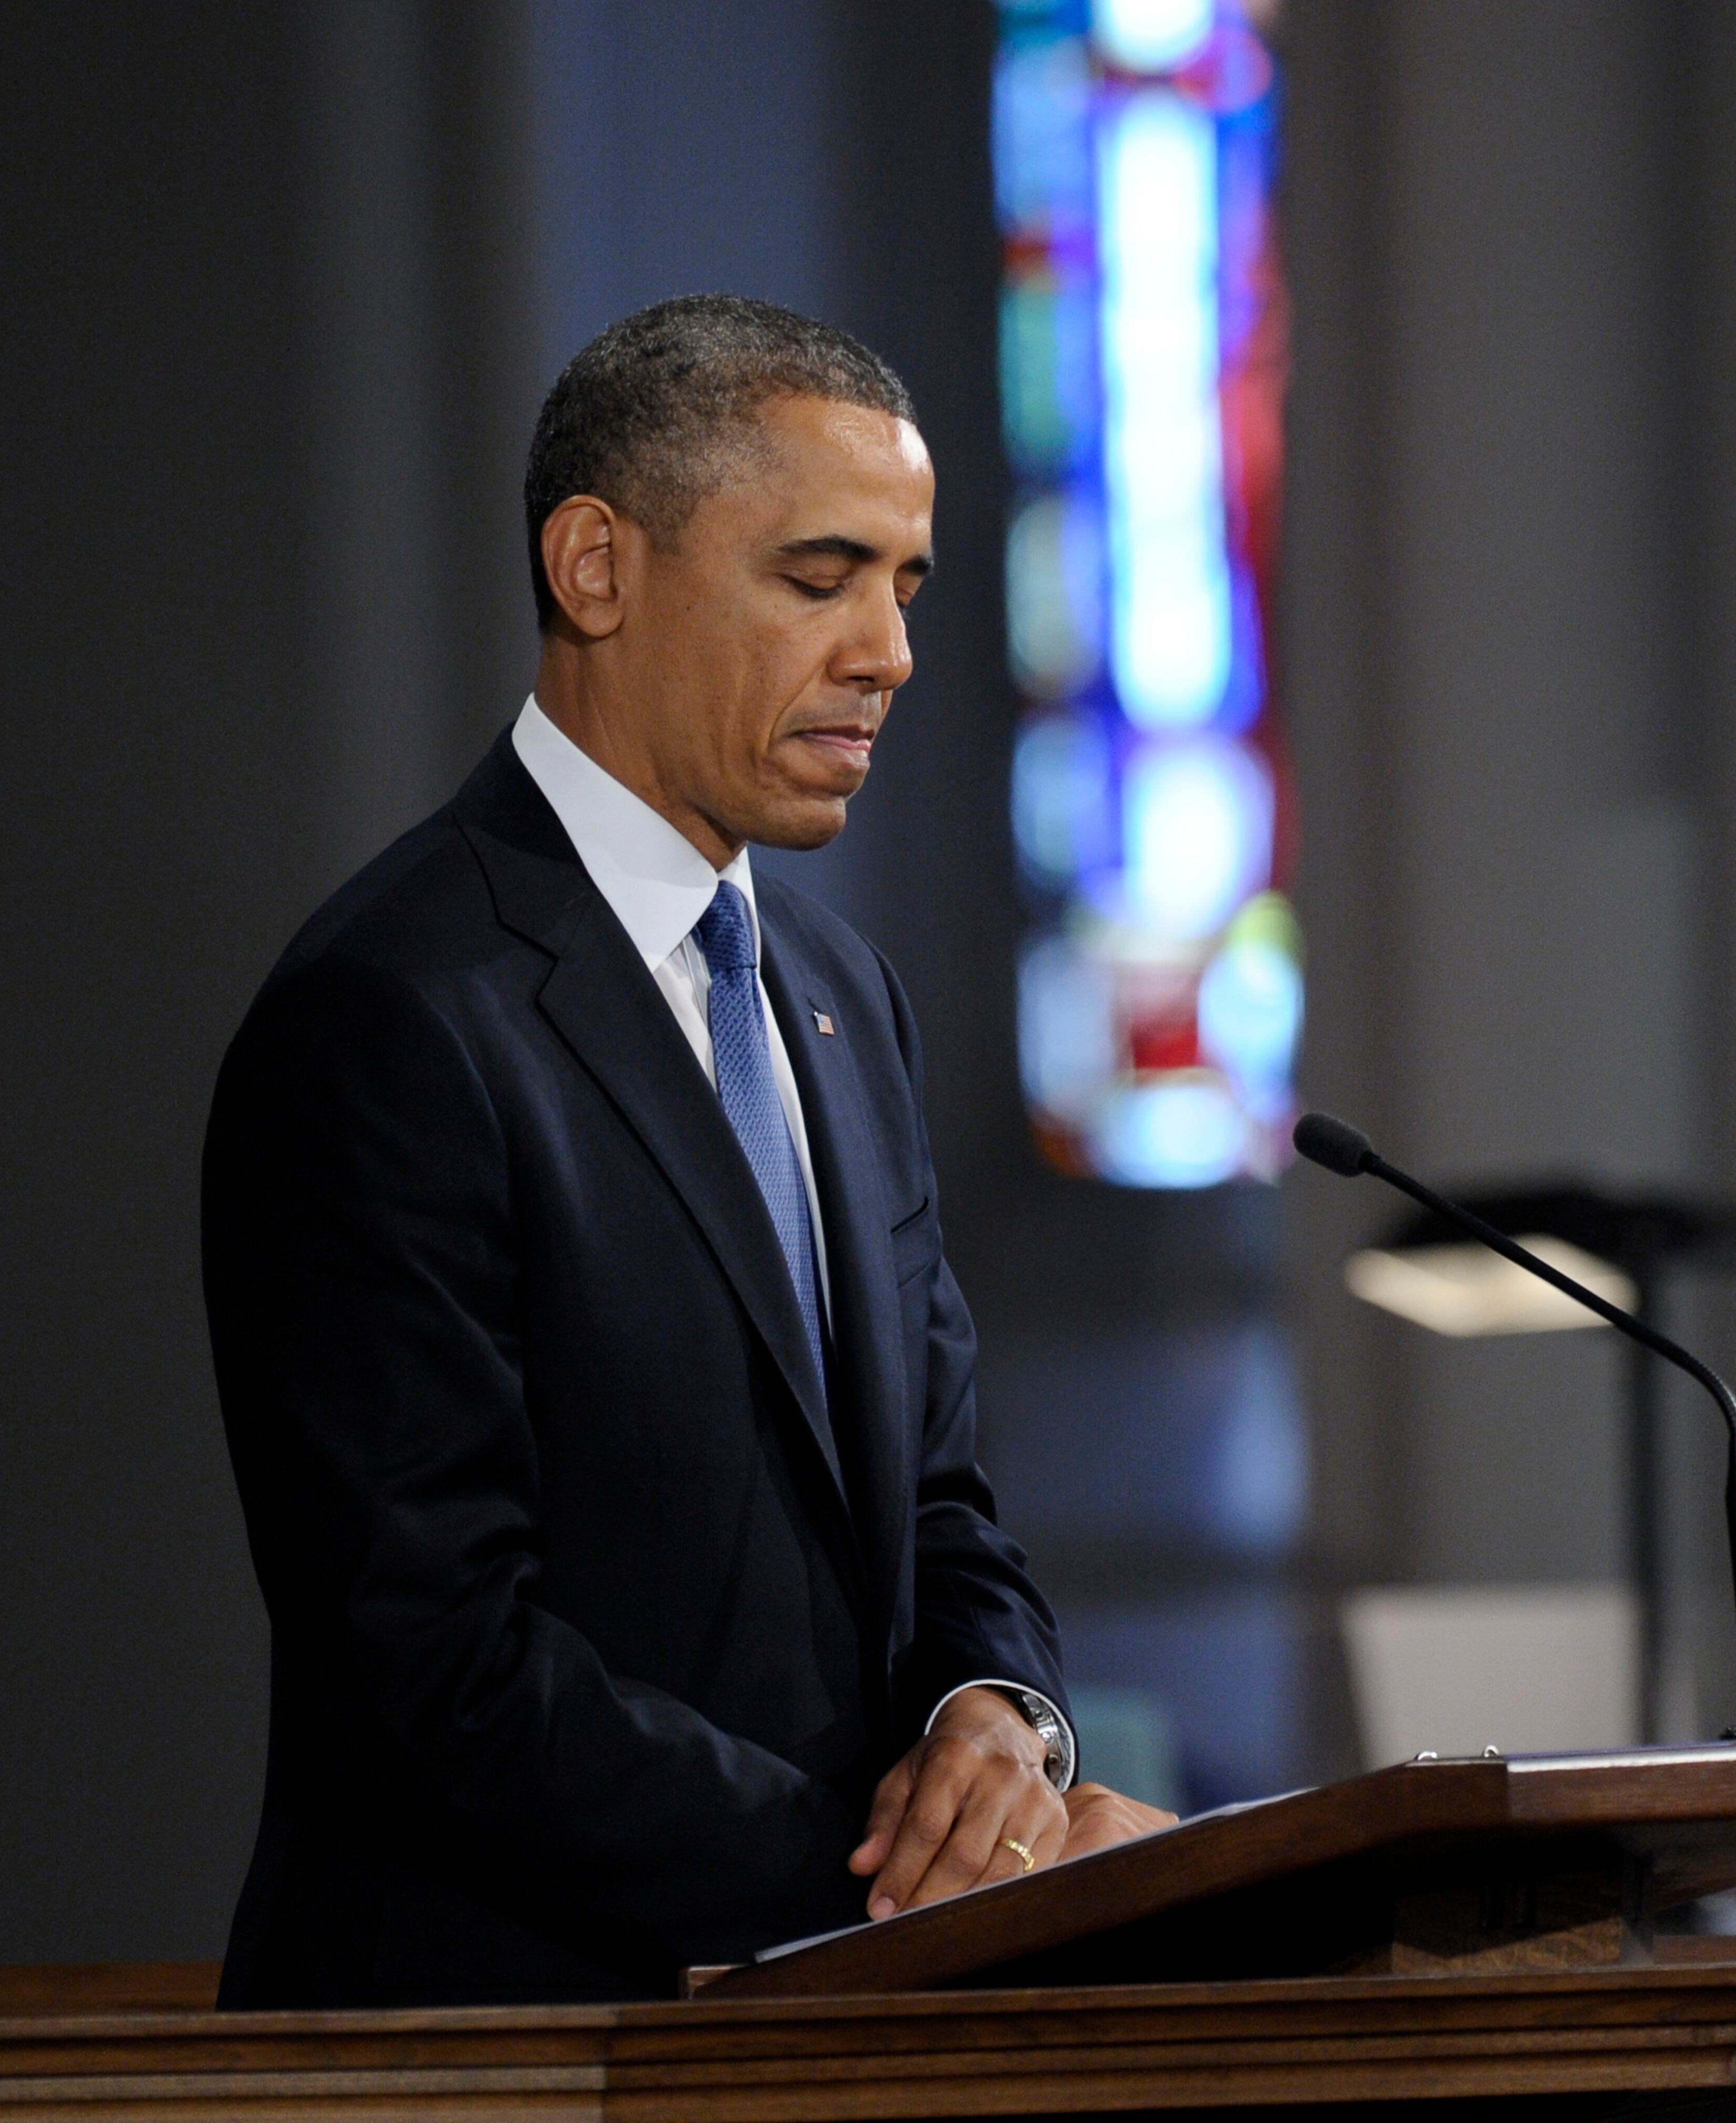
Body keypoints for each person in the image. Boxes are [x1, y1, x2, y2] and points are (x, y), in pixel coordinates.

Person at [205, 294, 1172, 2008]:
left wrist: (997, 1732)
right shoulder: (395, 1010)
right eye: (822, 577)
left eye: (908, 585)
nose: (891, 651)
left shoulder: (838, 996)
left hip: (833, 2051)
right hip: (500, 2054)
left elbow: (940, 1512)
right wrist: (905, 1892)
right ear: (596, 568)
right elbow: (429, 1656)